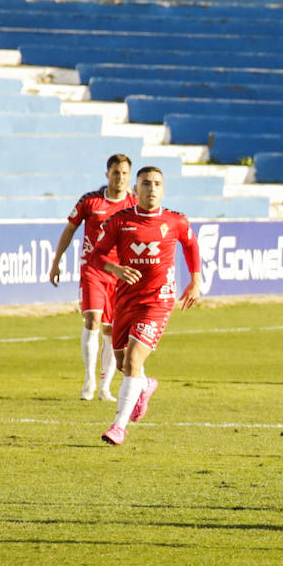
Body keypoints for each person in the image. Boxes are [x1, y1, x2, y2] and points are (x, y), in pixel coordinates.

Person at [85, 166, 202, 446]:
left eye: (157, 184)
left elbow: (191, 245)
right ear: (135, 190)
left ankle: (118, 427)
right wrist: (115, 268)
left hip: (158, 301)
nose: (152, 189)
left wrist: (195, 280)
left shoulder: (176, 221)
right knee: (125, 363)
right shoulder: (119, 221)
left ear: (164, 190)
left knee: (134, 359)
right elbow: (96, 256)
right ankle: (145, 386)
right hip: (125, 300)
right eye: (146, 184)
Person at [48, 154, 137, 401]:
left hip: (120, 274)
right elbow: (69, 229)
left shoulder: (133, 204)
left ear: (130, 176)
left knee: (112, 329)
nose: (120, 178)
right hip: (93, 269)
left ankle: (105, 387)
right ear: (107, 174)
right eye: (116, 173)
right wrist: (56, 262)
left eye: (125, 173)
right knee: (92, 321)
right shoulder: (91, 201)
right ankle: (89, 382)